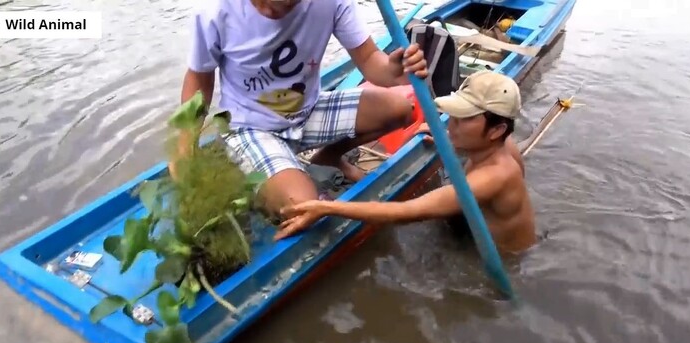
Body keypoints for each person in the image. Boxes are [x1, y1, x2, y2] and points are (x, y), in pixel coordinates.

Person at [173, 0, 429, 216]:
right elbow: (199, 80)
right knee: (303, 208)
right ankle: (262, 181)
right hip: (250, 127)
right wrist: (186, 141)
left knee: (400, 109)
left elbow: (370, 60)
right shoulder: (216, 12)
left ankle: (328, 158)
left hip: (308, 112)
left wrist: (395, 70)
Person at [273, 70, 537, 254]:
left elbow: (408, 212)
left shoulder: (492, 177)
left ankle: (347, 177)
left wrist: (327, 208)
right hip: (478, 229)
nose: (452, 125)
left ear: (496, 130)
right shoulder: (504, 146)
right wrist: (448, 138)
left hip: (499, 258)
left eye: (464, 119)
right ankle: (349, 170)